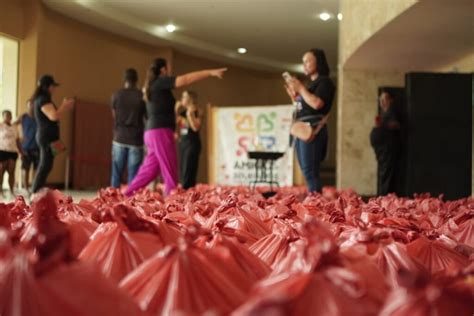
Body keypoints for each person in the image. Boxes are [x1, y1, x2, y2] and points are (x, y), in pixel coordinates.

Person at [124, 58, 226, 196]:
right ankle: (172, 203)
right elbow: (186, 79)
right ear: (162, 70)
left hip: (151, 132)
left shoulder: (151, 86)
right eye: (168, 68)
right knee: (170, 169)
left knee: (150, 170)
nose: (169, 71)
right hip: (160, 131)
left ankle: (128, 194)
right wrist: (210, 72)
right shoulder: (160, 82)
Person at [284, 48, 335, 193]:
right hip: (303, 129)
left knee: (310, 171)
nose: (304, 64)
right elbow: (304, 106)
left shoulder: (325, 82)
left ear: (318, 62)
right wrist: (294, 96)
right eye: (303, 62)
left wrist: (300, 88)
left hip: (313, 129)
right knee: (307, 171)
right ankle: (315, 203)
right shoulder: (310, 85)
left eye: (307, 61)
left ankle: (316, 206)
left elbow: (317, 104)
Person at [31, 74, 75, 193]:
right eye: (52, 86)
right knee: (44, 164)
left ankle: (37, 190)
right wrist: (64, 106)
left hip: (51, 137)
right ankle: (34, 191)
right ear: (47, 87)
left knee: (48, 165)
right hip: (46, 137)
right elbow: (53, 116)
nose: (54, 88)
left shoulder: (43, 99)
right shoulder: (43, 99)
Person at [110, 68, 147, 188]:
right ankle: (131, 202)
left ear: (124, 79)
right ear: (136, 80)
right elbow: (146, 117)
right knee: (134, 175)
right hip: (136, 139)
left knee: (116, 172)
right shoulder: (141, 96)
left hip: (119, 137)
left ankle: (111, 201)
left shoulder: (116, 95)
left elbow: (114, 116)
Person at [370, 90, 401, 196]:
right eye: (381, 99)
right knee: (383, 173)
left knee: (387, 173)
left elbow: (396, 125)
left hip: (388, 148)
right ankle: (383, 195)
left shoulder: (392, 112)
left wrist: (383, 126)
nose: (382, 102)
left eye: (385, 99)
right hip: (382, 150)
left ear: (391, 100)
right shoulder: (383, 113)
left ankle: (385, 197)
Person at [176, 90, 202, 189]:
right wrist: (176, 110)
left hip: (192, 143)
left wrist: (189, 115)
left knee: (189, 169)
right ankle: (184, 190)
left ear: (190, 99)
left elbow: (196, 127)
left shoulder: (196, 111)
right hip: (183, 142)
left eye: (184, 97)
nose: (181, 99)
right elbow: (175, 125)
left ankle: (187, 191)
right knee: (182, 169)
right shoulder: (182, 112)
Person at [14, 100, 39, 192]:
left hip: (38, 147)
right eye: (30, 105)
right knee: (26, 168)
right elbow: (12, 125)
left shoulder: (39, 116)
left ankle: (35, 187)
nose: (32, 106)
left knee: (37, 169)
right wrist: (19, 137)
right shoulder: (23, 117)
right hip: (26, 147)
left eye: (33, 104)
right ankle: (26, 188)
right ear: (27, 106)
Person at [0, 110, 22, 197]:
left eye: (10, 115)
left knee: (11, 171)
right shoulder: (1, 126)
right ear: (3, 116)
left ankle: (12, 190)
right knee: (1, 171)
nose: (9, 117)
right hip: (2, 151)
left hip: (12, 151)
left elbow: (17, 140)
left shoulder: (14, 127)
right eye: (7, 115)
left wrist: (21, 151)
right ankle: (0, 190)